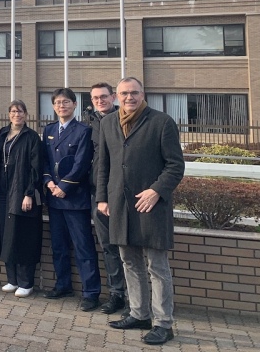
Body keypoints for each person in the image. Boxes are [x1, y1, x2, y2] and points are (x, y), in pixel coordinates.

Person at [98, 77, 184, 346]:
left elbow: (175, 165)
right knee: (129, 262)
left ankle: (163, 324)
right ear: (116, 96)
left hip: (151, 205)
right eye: (123, 93)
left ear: (142, 94)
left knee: (157, 267)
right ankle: (139, 314)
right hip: (120, 206)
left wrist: (156, 190)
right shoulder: (108, 123)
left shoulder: (162, 122)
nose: (129, 98)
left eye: (134, 93)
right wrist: (102, 198)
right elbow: (104, 165)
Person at [42, 87, 101, 311]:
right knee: (59, 246)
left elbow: (82, 163)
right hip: (54, 199)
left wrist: (64, 186)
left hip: (74, 199)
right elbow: (45, 161)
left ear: (75, 105)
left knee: (83, 247)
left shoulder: (83, 131)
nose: (61, 106)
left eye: (66, 102)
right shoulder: (48, 130)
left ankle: (91, 292)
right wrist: (48, 182)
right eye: (57, 102)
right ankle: (63, 284)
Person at [0, 100, 42, 298]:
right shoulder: (2, 134)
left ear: (26, 115)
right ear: (8, 114)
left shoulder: (31, 137)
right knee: (6, 236)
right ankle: (12, 279)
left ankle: (26, 282)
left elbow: (35, 168)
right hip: (2, 193)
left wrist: (29, 193)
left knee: (22, 236)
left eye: (20, 112)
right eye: (13, 112)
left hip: (20, 193)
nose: (16, 115)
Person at [83, 82, 127, 315]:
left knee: (128, 245)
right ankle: (117, 294)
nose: (100, 101)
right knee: (108, 245)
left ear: (113, 97)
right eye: (95, 98)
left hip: (121, 192)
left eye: (104, 96)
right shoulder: (88, 123)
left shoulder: (124, 119)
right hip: (97, 193)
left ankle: (135, 296)